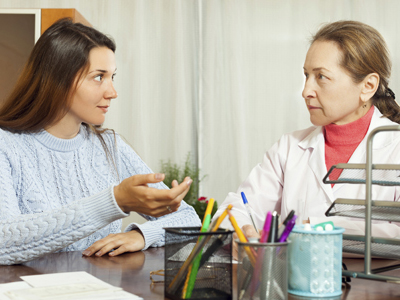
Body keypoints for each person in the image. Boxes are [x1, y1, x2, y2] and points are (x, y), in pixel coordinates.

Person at [0, 18, 201, 265]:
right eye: (99, 77)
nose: (112, 92)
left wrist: (142, 235)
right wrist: (114, 202)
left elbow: (187, 219)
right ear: (57, 79)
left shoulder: (110, 145)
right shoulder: (6, 145)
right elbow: (3, 242)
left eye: (112, 77)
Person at [213, 20, 400, 254]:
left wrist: (315, 228)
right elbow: (235, 211)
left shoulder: (395, 146)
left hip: (377, 290)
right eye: (306, 75)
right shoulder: (289, 148)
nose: (305, 91)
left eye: (321, 77)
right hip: (294, 286)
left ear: (368, 86)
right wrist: (242, 231)